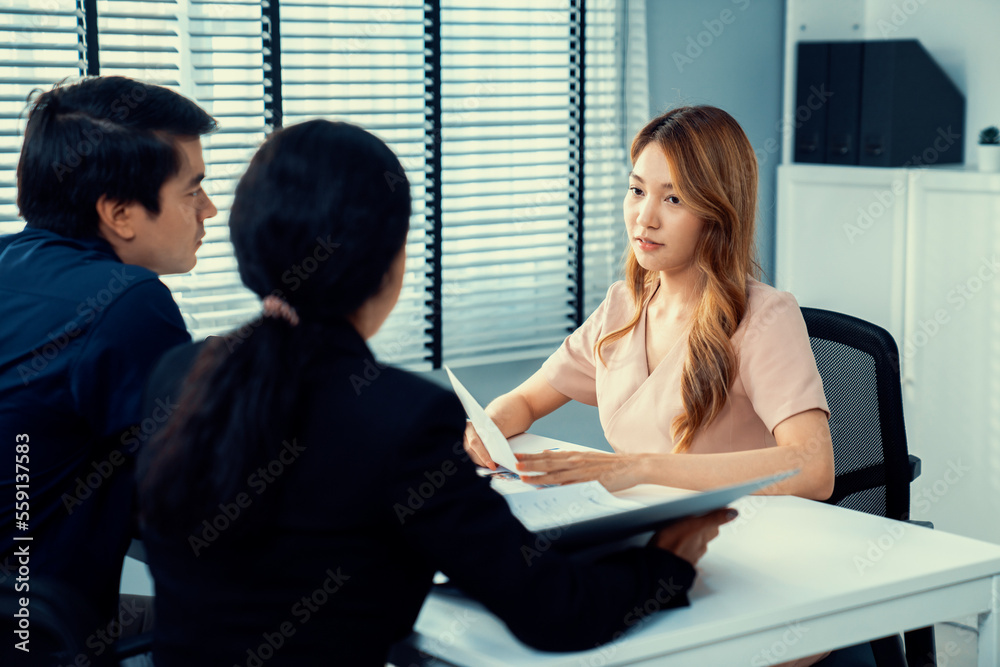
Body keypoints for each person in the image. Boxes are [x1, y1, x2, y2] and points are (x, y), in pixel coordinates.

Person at [136, 119, 736, 666]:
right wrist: (667, 562)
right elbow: (556, 612)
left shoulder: (175, 374)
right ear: (391, 263)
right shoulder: (402, 419)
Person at [462, 106, 846, 667]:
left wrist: (637, 468)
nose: (645, 217)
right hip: (653, 545)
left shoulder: (764, 316)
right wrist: (488, 424)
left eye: (673, 198)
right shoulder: (625, 305)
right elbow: (526, 398)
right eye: (637, 190)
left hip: (755, 560)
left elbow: (814, 470)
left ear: (717, 211)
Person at [0, 76, 217, 659]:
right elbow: (213, 482)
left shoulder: (10, 261)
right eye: (192, 190)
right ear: (120, 213)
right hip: (35, 633)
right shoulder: (125, 302)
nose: (210, 210)